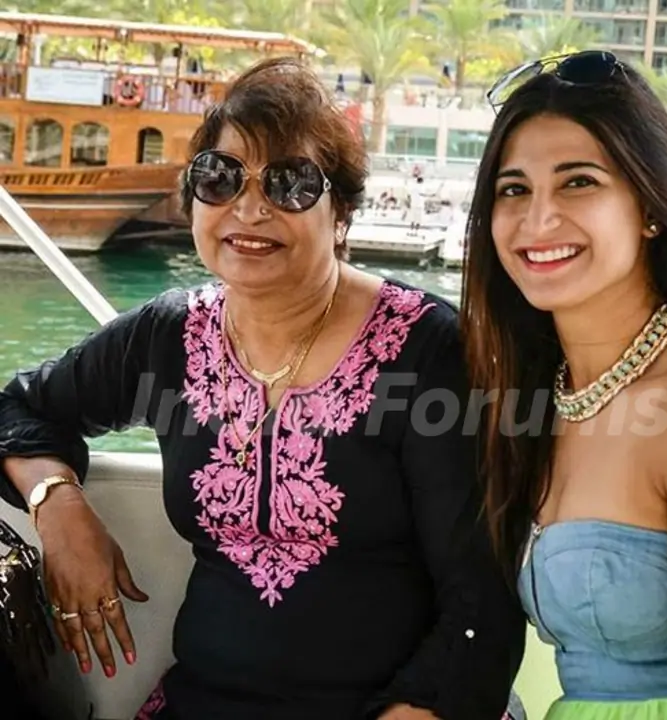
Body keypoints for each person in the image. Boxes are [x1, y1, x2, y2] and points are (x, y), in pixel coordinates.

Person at [0, 58, 525, 720]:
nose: (248, 207)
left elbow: (484, 600)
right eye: (219, 179)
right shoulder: (168, 338)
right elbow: (17, 407)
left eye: (291, 183)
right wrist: (59, 505)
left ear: (343, 214)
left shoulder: (429, 353)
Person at [460, 50, 667, 720]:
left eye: (578, 183)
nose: (537, 220)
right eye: (514, 189)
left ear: (649, 207)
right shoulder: (538, 397)